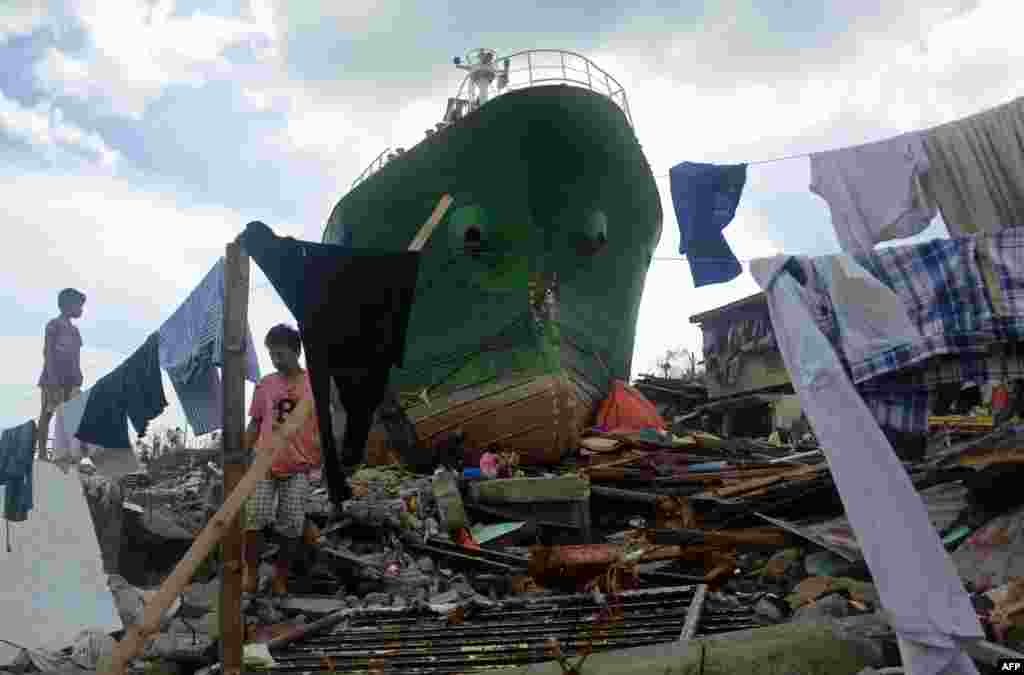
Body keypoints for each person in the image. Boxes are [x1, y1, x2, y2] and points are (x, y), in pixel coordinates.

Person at [242, 324, 322, 595]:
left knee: (291, 526)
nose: (277, 360)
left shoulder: (314, 383)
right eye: (272, 354)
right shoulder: (265, 384)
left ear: (297, 351)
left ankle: (280, 578)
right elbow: (255, 423)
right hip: (264, 463)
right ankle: (250, 573)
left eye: (281, 354)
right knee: (255, 518)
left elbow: (328, 421)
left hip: (300, 466)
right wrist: (242, 454)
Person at [37, 288, 86, 456]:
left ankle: (72, 453)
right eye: (78, 306)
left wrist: (79, 374)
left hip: (71, 380)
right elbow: (48, 352)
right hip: (53, 379)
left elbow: (76, 356)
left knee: (73, 415)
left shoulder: (75, 331)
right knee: (47, 414)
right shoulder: (54, 325)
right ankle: (42, 453)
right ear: (67, 306)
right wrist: (52, 379)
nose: (81, 310)